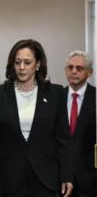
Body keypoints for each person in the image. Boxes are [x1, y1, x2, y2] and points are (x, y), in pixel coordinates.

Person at [0, 39, 74, 197]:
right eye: (17, 62)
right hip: (9, 176)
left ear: (37, 64)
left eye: (27, 62)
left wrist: (67, 175)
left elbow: (64, 139)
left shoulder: (55, 93)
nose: (21, 67)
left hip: (45, 176)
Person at [64, 50, 96, 197]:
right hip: (60, 177)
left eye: (79, 68)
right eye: (70, 68)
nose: (74, 72)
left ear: (89, 72)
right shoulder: (56, 97)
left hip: (90, 179)